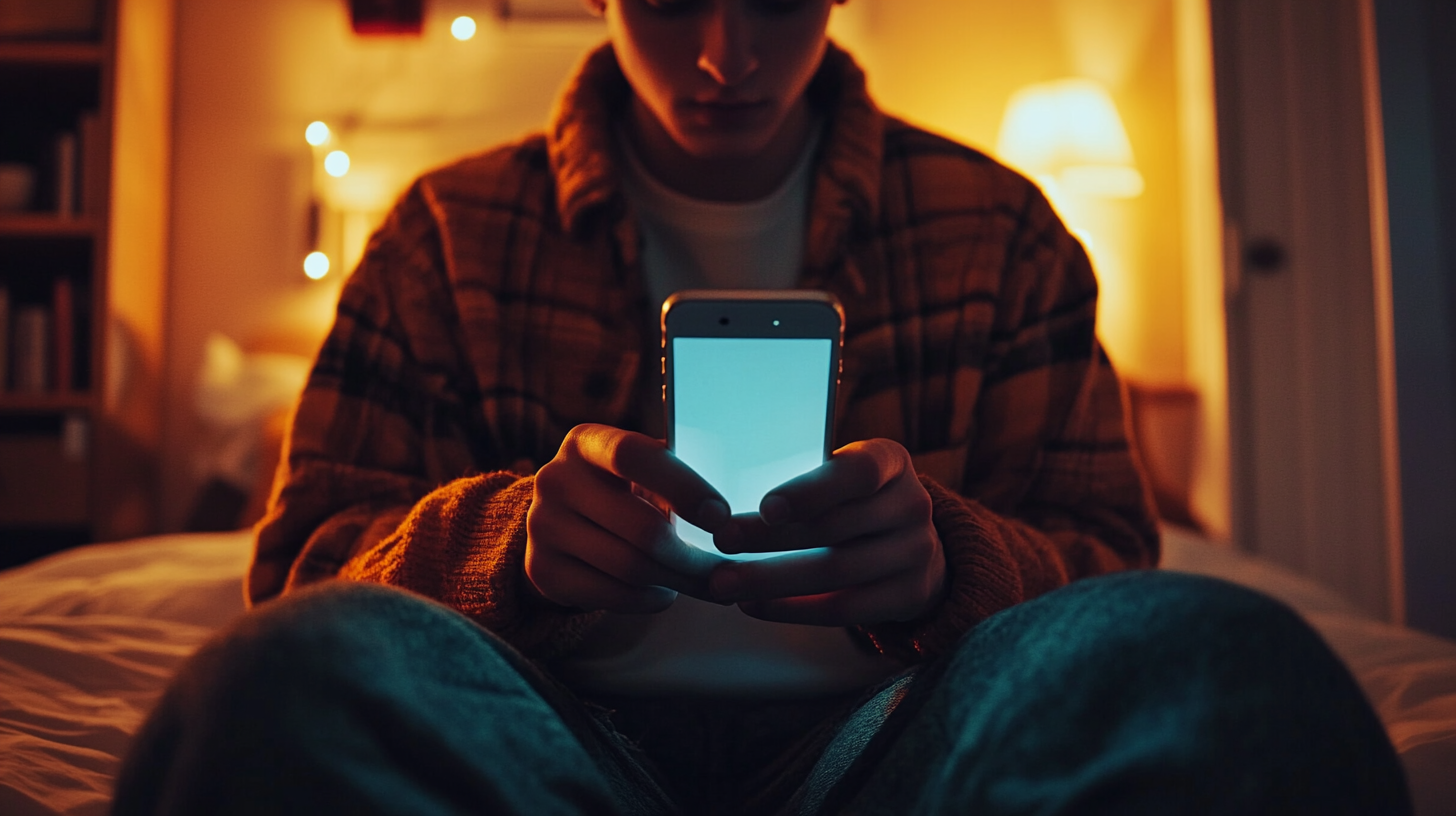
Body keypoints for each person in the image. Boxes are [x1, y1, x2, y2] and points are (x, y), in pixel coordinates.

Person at [111, 1, 1412, 813]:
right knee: (273, 686)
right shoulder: (445, 235)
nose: (727, 53)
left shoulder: (997, 228)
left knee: (1219, 658)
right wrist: (506, 543)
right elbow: (302, 564)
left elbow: (1108, 547)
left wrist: (947, 560)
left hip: (894, 727)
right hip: (545, 722)